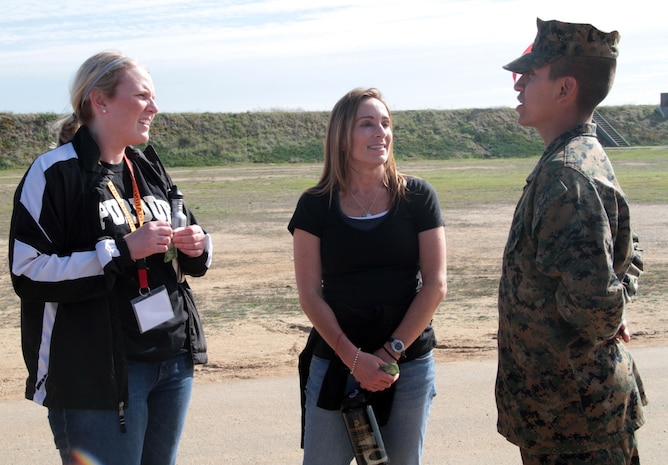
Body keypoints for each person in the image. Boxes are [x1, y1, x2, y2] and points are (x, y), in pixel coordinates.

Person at [9, 51, 212, 465]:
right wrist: (120, 251)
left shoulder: (148, 168)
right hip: (98, 375)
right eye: (142, 96)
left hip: (170, 362)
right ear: (99, 101)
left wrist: (198, 244)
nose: (154, 107)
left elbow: (193, 239)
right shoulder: (54, 174)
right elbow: (27, 272)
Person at [495, 18, 647, 465]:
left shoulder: (566, 175)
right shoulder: (579, 158)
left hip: (573, 420)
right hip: (571, 414)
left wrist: (611, 309)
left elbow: (593, 307)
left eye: (531, 75)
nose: (518, 86)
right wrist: (615, 303)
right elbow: (628, 252)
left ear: (565, 89)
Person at [288, 87, 447, 465]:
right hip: (335, 361)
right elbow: (311, 293)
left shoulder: (418, 196)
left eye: (386, 123)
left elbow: (436, 285)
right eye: (367, 124)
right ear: (342, 137)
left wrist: (389, 352)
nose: (381, 133)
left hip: (405, 365)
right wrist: (354, 358)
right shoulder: (314, 205)